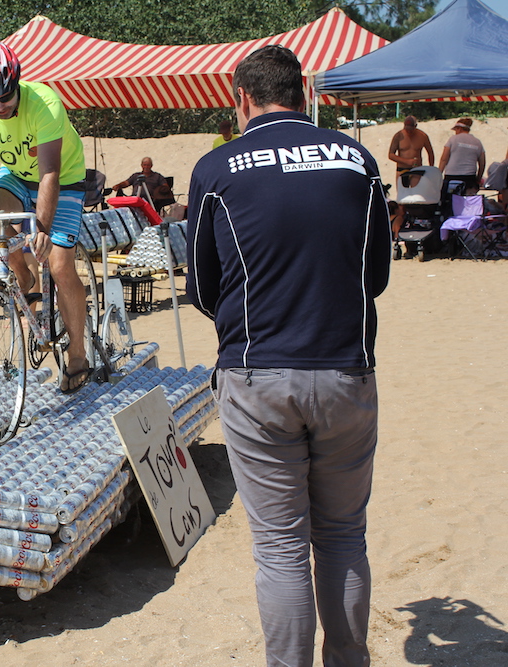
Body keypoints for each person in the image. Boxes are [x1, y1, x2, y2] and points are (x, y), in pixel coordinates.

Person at [186, 45, 390, 667]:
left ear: (241, 99)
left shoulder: (217, 168)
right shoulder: (357, 160)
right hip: (345, 368)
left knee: (279, 547)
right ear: (302, 94)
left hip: (258, 372)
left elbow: (200, 284)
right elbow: (375, 273)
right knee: (342, 536)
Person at [0, 40, 90, 393]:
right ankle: (24, 276)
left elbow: (50, 173)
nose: (0, 105)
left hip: (63, 177)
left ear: (17, 82)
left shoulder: (45, 103)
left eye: (6, 96)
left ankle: (79, 354)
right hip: (18, 175)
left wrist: (40, 227)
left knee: (59, 265)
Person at [387, 116, 435, 255]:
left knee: (415, 200)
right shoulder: (399, 136)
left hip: (417, 170)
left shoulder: (422, 136)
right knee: (402, 201)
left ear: (415, 126)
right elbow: (390, 154)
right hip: (402, 169)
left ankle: (416, 231)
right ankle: (399, 236)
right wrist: (406, 161)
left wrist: (430, 169)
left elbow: (430, 152)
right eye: (407, 128)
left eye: (411, 128)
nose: (409, 131)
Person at [438, 117, 485, 195]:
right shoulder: (477, 142)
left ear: (459, 128)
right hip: (469, 177)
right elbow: (482, 163)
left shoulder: (452, 139)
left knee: (450, 200)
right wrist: (478, 178)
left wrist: (439, 174)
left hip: (452, 176)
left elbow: (444, 159)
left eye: (456, 130)